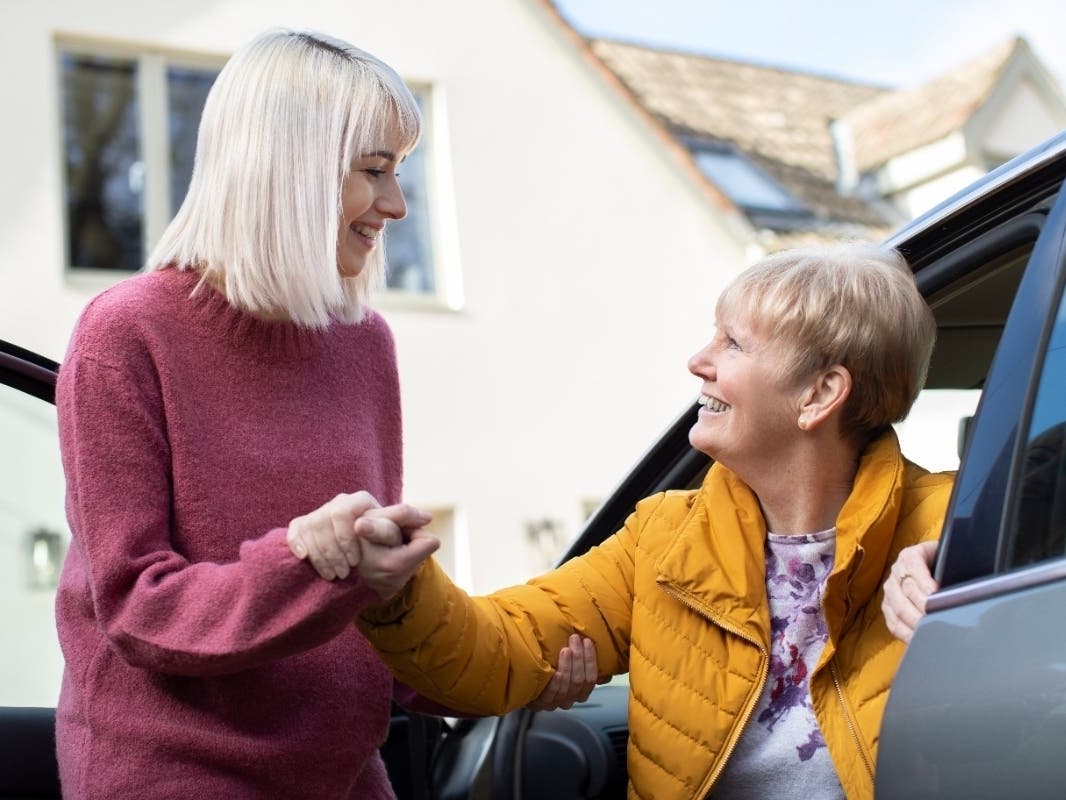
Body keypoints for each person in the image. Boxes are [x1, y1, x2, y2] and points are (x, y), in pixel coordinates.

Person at [54, 28, 583, 800]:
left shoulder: (365, 344)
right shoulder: (126, 332)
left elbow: (377, 604)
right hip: (176, 774)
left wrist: (511, 673)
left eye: (399, 173)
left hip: (349, 774)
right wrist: (310, 563)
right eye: (374, 170)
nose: (397, 205)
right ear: (289, 166)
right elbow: (138, 609)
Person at [293, 242, 955, 799]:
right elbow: (496, 647)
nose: (698, 361)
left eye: (733, 343)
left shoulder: (958, 525)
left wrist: (958, 583)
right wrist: (395, 585)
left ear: (819, 394)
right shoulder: (665, 536)